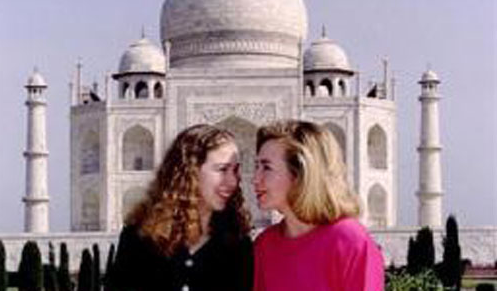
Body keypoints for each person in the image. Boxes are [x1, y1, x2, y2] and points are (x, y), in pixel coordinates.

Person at [113, 124, 253, 291]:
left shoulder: (236, 243)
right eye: (222, 169)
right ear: (191, 172)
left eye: (235, 170)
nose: (233, 181)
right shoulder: (140, 237)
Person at [252, 120, 384, 291]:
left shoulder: (349, 241)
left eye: (266, 168)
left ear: (301, 174)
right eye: (256, 167)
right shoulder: (265, 245)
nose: (255, 179)